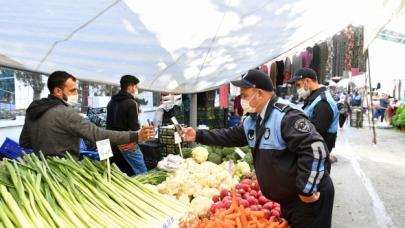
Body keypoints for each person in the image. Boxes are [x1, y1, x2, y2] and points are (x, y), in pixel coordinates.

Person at [183, 69, 334, 228]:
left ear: (260, 94)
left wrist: (307, 189)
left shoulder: (285, 116)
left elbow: (315, 147)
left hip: (309, 199)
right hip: (289, 200)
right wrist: (197, 135)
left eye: (245, 95)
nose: (241, 100)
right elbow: (229, 136)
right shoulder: (253, 120)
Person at [20, 71, 154, 158]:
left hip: (40, 169)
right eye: (72, 91)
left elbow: (24, 142)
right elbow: (98, 135)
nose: (76, 94)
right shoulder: (65, 113)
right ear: (58, 91)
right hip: (64, 171)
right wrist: (135, 136)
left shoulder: (35, 108)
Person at [287, 68, 339, 170]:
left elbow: (316, 135)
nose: (297, 90)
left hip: (316, 162)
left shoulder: (323, 103)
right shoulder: (313, 99)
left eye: (298, 85)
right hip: (311, 157)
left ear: (307, 82)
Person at [107, 75, 148, 176]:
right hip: (127, 142)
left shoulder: (111, 102)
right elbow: (135, 128)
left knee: (118, 171)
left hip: (112, 142)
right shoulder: (131, 103)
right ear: (130, 86)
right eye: (135, 86)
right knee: (141, 171)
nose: (136, 89)